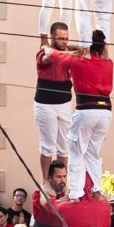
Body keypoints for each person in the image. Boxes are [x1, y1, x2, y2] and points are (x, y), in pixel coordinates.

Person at [66, 31, 113, 203]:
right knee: (93, 154)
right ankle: (97, 189)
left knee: (76, 152)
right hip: (106, 111)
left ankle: (75, 193)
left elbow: (61, 55)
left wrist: (77, 48)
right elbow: (102, 52)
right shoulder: (109, 63)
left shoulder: (79, 62)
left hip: (86, 110)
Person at [35, 23, 75, 178]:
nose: (65, 42)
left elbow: (85, 51)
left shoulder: (67, 53)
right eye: (61, 39)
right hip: (45, 105)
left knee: (64, 146)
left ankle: (62, 179)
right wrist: (70, 52)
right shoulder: (42, 53)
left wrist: (70, 47)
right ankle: (45, 180)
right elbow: (50, 58)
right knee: (47, 147)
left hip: (64, 104)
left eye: (67, 39)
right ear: (52, 37)